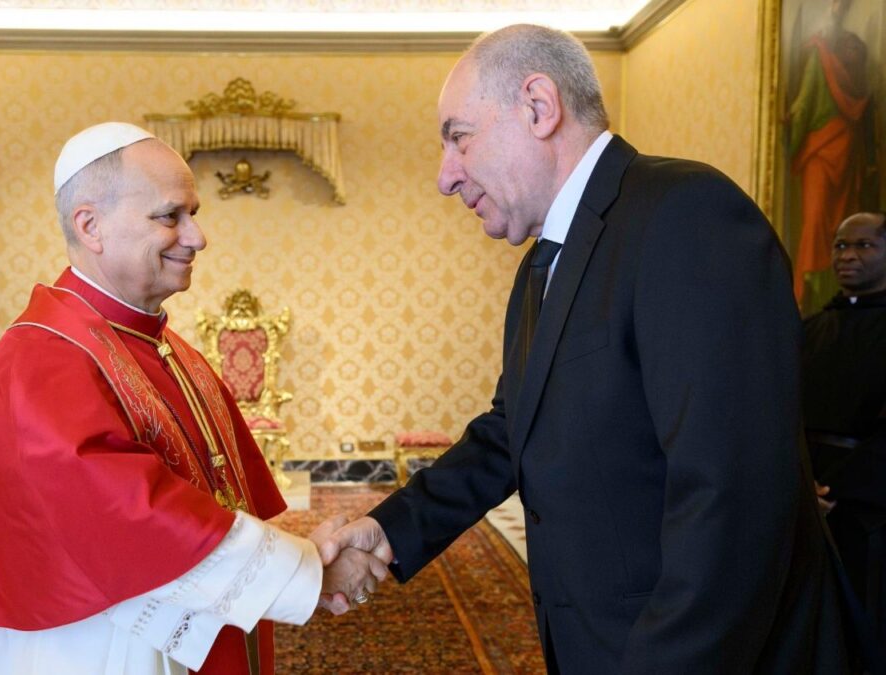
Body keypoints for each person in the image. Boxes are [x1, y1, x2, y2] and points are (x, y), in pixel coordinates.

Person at [318, 24, 857, 673]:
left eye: (459, 137)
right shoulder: (542, 263)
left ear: (539, 106)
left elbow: (733, 503)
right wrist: (390, 529)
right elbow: (512, 430)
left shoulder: (687, 216)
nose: (445, 177)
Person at [0, 122, 385, 675]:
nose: (197, 237)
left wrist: (296, 562)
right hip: (95, 646)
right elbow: (133, 517)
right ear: (91, 225)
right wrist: (308, 571)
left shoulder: (164, 346)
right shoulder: (43, 359)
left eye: (193, 213)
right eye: (169, 216)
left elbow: (215, 500)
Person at [804, 211, 886, 649]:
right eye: (840, 246)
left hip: (868, 507)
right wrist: (803, 482)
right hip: (806, 498)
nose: (847, 256)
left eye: (863, 245)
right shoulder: (810, 328)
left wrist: (834, 487)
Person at [787, 0, 876, 308]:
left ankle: (821, 293)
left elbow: (802, 107)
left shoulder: (826, 55)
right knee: (820, 222)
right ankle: (811, 292)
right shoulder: (822, 53)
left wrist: (790, 133)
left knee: (836, 222)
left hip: (835, 150)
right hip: (828, 152)